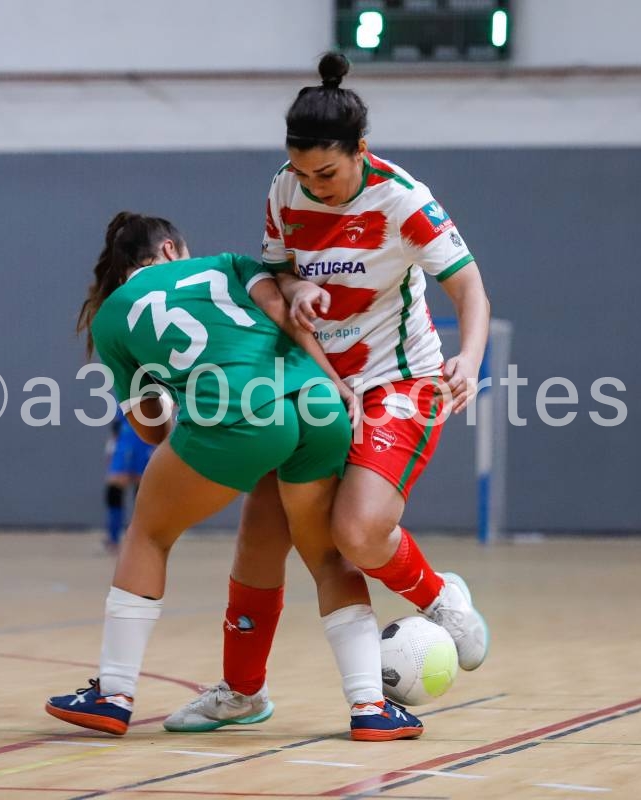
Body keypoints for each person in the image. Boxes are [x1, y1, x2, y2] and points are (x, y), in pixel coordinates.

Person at [164, 52, 491, 733]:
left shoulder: (402, 198)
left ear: (361, 152)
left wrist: (470, 357)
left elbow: (469, 286)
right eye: (304, 171)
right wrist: (298, 289)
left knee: (356, 532)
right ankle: (241, 692)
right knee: (261, 533)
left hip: (399, 381)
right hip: (311, 381)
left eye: (329, 172)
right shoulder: (285, 189)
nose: (315, 186)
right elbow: (275, 281)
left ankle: (439, 597)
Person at [44, 211, 424, 741]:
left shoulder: (111, 316)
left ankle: (113, 692)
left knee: (148, 533)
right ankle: (369, 706)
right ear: (174, 248)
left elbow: (150, 431)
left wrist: (181, 402)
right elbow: (289, 317)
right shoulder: (227, 265)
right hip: (318, 403)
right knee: (325, 556)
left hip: (241, 417)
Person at [102, 415, 155, 553]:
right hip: (133, 436)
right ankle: (116, 539)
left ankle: (137, 540)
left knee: (138, 492)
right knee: (117, 491)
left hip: (139, 437)